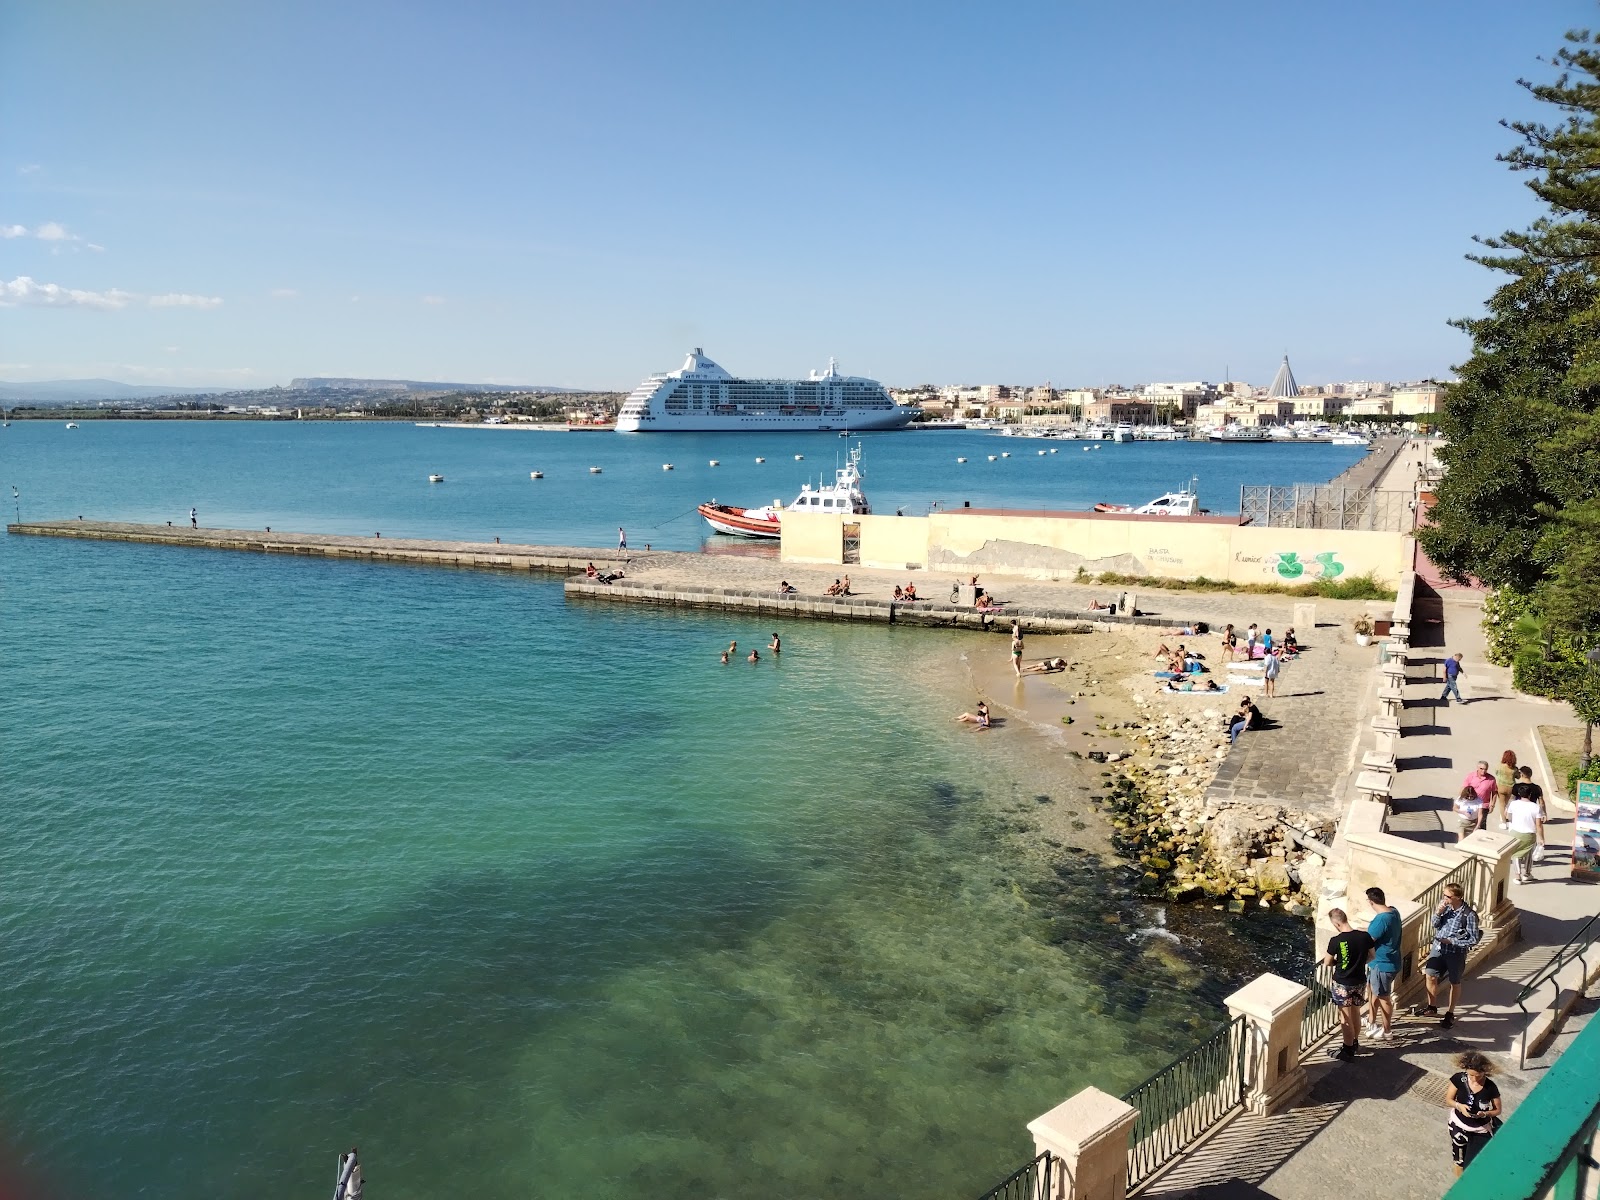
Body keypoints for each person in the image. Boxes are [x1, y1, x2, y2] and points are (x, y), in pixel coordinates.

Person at [1422, 882, 1481, 1028]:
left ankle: (1450, 1013)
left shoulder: (1469, 915)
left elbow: (1473, 939)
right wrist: (1438, 913)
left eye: (1448, 896)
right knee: (1430, 974)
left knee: (1454, 982)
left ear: (1458, 897)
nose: (1444, 898)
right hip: (1439, 948)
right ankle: (1432, 1006)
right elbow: (1435, 925)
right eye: (1444, 895)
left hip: (1455, 953)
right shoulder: (1446, 908)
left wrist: (1451, 941)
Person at [1322, 907, 1375, 1062]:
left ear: (1336, 924)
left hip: (1343, 983)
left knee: (1345, 1018)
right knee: (1356, 1013)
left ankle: (1347, 1049)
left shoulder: (1336, 941)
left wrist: (1341, 963)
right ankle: (1354, 1042)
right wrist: (1358, 963)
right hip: (1359, 980)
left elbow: (1327, 962)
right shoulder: (1364, 936)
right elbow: (1373, 955)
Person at [1445, 1051, 1502, 1175]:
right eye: (1471, 1075)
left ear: (1484, 1072)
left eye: (1478, 1076)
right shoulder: (1459, 1079)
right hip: (1458, 1125)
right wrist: (1459, 1106)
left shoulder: (1491, 1087)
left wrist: (1485, 1114)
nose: (1474, 1079)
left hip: (1480, 1130)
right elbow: (1449, 1099)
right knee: (1459, 1162)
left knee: (1476, 1161)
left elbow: (1498, 1110)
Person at [1363, 887, 1402, 1043]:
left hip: (1382, 965)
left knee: (1383, 997)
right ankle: (1372, 1021)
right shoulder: (1394, 912)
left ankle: (1387, 1031)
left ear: (1371, 902)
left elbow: (1368, 941)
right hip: (1389, 961)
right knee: (1373, 991)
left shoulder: (1381, 920)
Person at [1505, 778, 1545, 884]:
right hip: (1529, 834)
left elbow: (1508, 817)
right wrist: (1541, 838)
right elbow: (1539, 825)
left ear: (1519, 793)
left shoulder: (1513, 804)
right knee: (1528, 854)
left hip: (1515, 832)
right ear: (1530, 794)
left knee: (1515, 854)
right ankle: (1527, 873)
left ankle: (1517, 876)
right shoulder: (1536, 807)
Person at [1462, 761, 1497, 826]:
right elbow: (1464, 789)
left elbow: (1494, 793)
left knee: (1481, 825)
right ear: (1477, 768)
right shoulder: (1470, 776)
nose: (1483, 771)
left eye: (1485, 769)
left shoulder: (1491, 779)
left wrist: (1492, 805)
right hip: (1471, 804)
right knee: (1468, 824)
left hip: (1484, 805)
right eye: (1481, 769)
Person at [1493, 750, 1518, 823]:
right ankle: (1505, 815)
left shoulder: (1500, 766)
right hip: (1510, 787)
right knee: (1507, 803)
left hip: (1501, 786)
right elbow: (1518, 776)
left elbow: (1496, 772)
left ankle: (1503, 820)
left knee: (1501, 804)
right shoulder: (1514, 769)